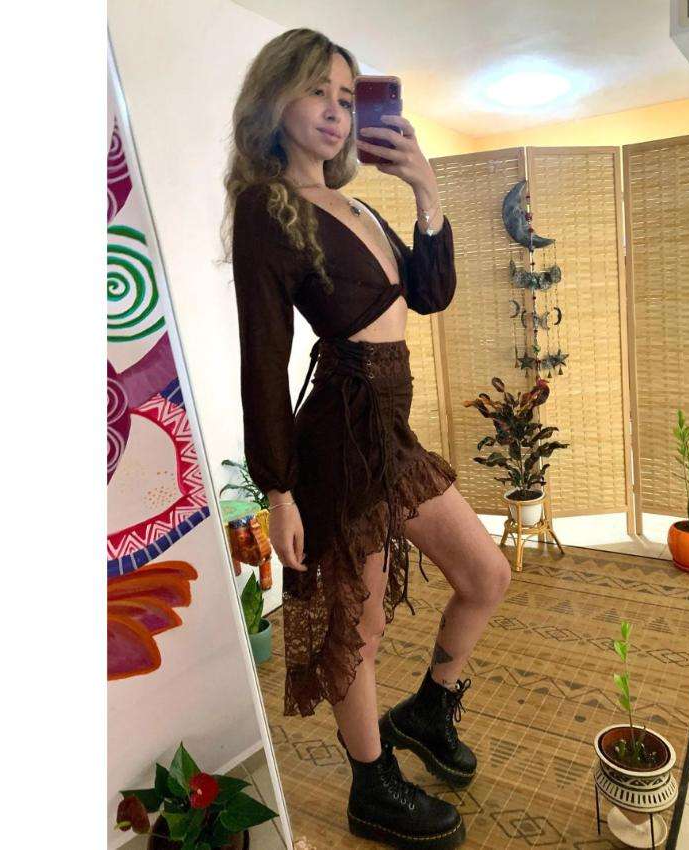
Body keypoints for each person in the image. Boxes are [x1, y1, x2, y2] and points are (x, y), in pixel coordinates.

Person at [222, 28, 512, 850]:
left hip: (392, 434)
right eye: (317, 91)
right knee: (359, 627)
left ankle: (429, 709)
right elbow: (263, 359)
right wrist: (278, 492)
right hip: (339, 440)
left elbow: (430, 293)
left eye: (347, 98)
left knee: (486, 575)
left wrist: (425, 186)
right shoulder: (268, 208)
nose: (336, 111)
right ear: (275, 99)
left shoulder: (358, 205)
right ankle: (371, 785)